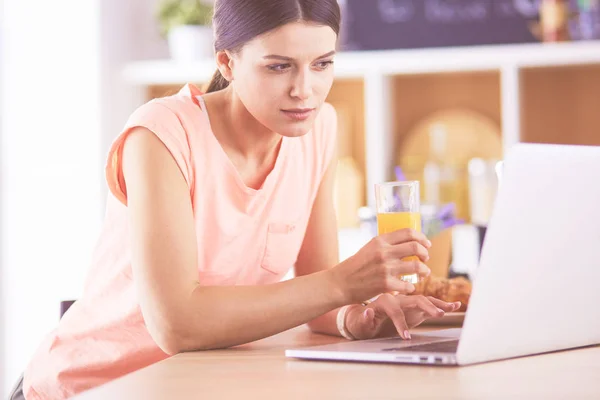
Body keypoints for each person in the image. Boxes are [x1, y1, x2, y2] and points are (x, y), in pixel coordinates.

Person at [14, 0, 460, 399]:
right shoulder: (160, 135)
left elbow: (321, 293)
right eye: (278, 66)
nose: (304, 90)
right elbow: (177, 325)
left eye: (322, 64)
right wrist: (344, 283)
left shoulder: (319, 128)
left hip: (197, 383)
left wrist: (355, 317)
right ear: (227, 62)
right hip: (93, 386)